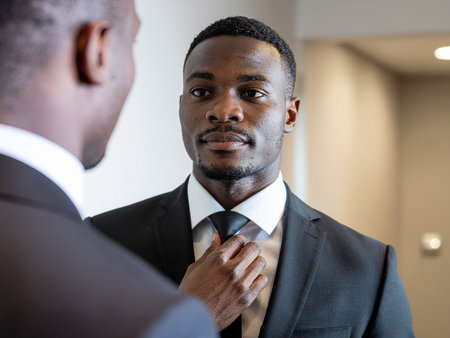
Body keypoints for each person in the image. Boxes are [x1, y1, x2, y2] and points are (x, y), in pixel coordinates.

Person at [89, 16, 415, 337]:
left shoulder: (367, 267)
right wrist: (187, 321)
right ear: (181, 107)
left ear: (290, 114)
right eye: (201, 92)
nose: (224, 109)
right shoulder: (100, 243)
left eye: (252, 93)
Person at [0, 2, 264, 337]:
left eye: (253, 92)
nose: (225, 111)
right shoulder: (106, 240)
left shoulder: (352, 259)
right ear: (99, 50)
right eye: (133, 41)